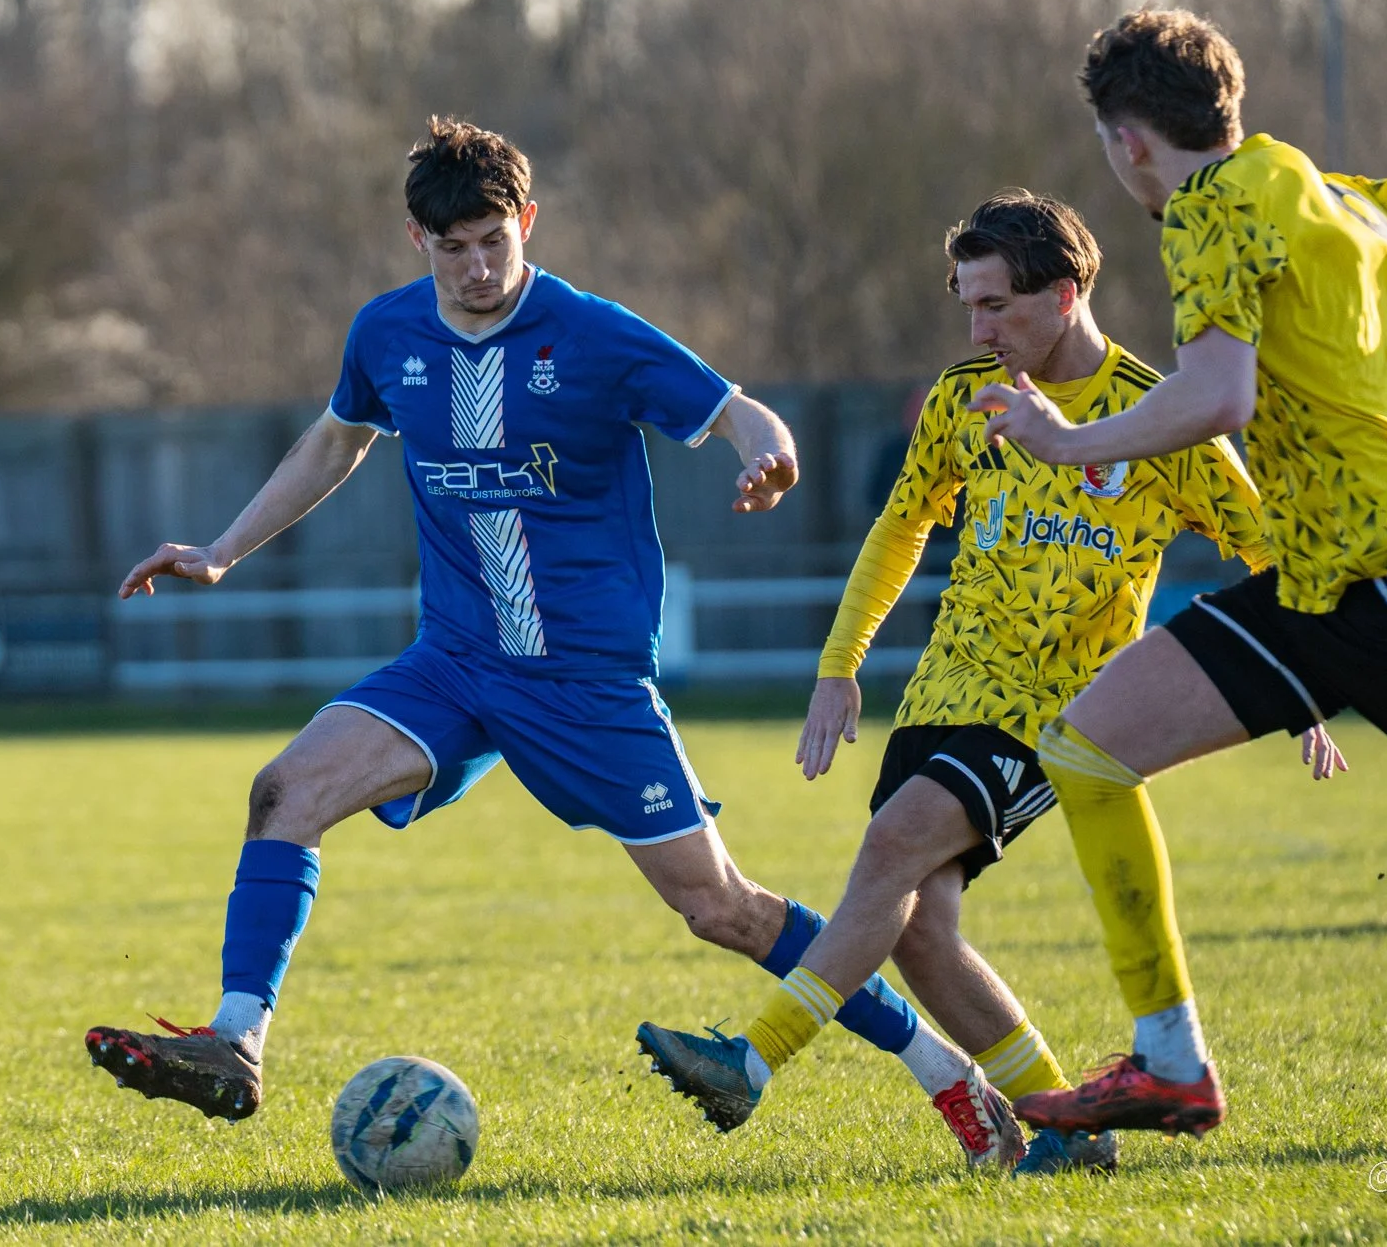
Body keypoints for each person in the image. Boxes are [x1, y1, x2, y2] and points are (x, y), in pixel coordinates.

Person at [83, 118, 1021, 1157]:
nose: (478, 267)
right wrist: (220, 549)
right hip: (451, 662)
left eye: (495, 239)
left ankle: (951, 1078)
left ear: (527, 222)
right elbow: (336, 440)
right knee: (284, 791)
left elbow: (737, 412)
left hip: (585, 684)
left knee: (720, 908)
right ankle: (235, 1041)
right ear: (416, 242)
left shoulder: (594, 336)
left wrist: (770, 454)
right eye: (454, 248)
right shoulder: (386, 334)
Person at [969, 8, 1387, 1138]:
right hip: (1314, 584)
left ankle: (1167, 1060)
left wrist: (1064, 440)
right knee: (1084, 748)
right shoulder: (1332, 191)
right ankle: (1168, 1063)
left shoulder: (1208, 212)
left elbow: (1219, 397)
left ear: (1126, 145)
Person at [634, 190, 1342, 1175]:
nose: (977, 328)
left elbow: (1270, 553)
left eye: (995, 305)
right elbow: (901, 524)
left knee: (890, 845)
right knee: (920, 934)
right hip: (942, 694)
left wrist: (1295, 683)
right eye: (965, 304)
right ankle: (1071, 1129)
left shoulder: (1158, 413)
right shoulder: (967, 391)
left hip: (1052, 710)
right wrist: (838, 666)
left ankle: (750, 1060)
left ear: (1062, 295)